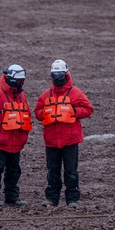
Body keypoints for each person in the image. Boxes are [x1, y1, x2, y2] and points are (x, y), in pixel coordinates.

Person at [34, 59, 94, 209]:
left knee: (71, 172)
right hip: (52, 140)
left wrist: (74, 111)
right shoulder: (46, 95)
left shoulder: (75, 93)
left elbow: (88, 109)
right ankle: (51, 199)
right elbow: (37, 113)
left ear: (66, 74)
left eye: (60, 75)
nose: (58, 78)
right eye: (55, 75)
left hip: (70, 140)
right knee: (52, 172)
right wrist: (46, 113)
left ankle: (72, 199)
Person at [0, 64, 32, 207]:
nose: (21, 84)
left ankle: (12, 197)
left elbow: (27, 115)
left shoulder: (22, 96)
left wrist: (24, 136)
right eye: (19, 82)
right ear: (10, 79)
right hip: (0, 142)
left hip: (16, 142)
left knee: (14, 170)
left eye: (22, 82)